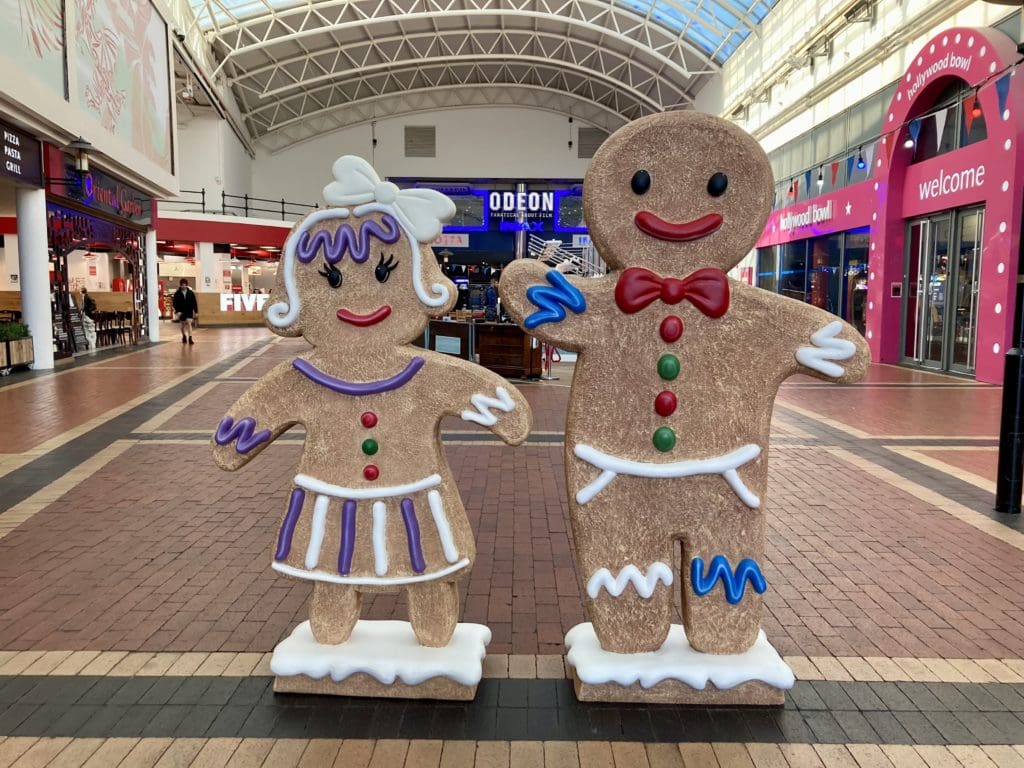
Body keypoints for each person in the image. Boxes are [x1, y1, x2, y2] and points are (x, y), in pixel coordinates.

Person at [172, 278, 199, 344]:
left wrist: (196, 312)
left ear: (187, 285)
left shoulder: (191, 293)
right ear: (180, 285)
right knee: (182, 326)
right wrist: (177, 311)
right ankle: (184, 336)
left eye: (185, 285)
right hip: (181, 311)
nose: (183, 286)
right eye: (182, 285)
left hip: (189, 310)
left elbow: (194, 302)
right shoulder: (177, 293)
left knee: (189, 323)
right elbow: (174, 303)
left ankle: (190, 338)